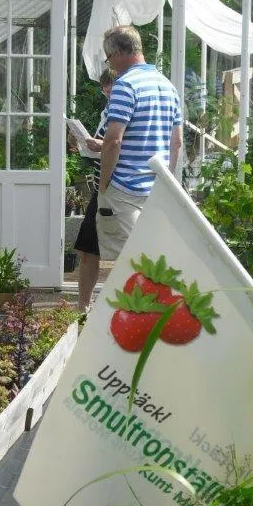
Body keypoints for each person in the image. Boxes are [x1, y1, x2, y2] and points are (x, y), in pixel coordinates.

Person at [97, 25, 183, 259]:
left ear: (117, 54)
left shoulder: (125, 86)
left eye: (108, 59)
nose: (110, 65)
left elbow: (113, 141)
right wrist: (166, 180)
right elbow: (177, 142)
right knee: (153, 257)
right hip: (155, 188)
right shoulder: (168, 86)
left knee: (130, 262)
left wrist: (104, 184)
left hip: (125, 188)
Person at [73, 67, 117, 312]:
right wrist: (87, 145)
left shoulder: (125, 108)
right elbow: (105, 145)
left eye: (109, 85)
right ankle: (83, 306)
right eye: (104, 87)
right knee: (88, 246)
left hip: (118, 186)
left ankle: (117, 306)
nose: (106, 90)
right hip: (102, 185)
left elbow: (120, 144)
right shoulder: (107, 111)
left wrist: (102, 145)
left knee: (122, 248)